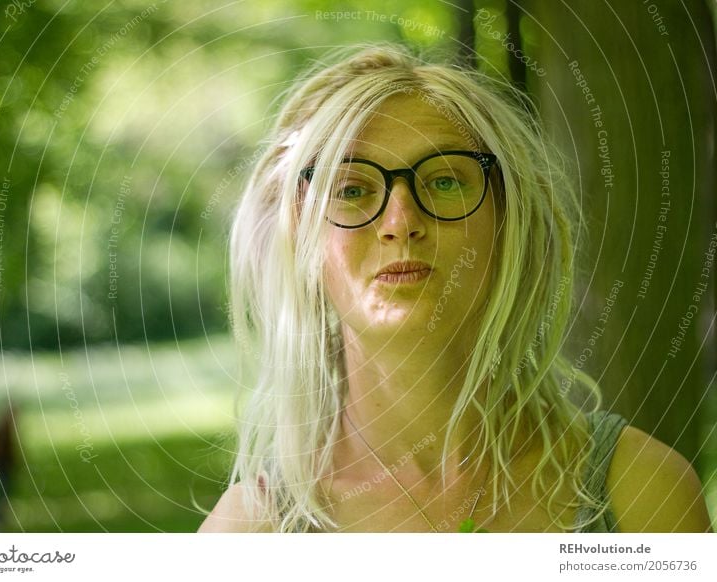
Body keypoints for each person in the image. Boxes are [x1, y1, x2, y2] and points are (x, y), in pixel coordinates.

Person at [198, 43, 712, 533]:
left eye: (444, 180)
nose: (400, 221)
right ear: (301, 241)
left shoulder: (640, 494)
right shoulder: (255, 532)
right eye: (352, 189)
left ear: (510, 219)